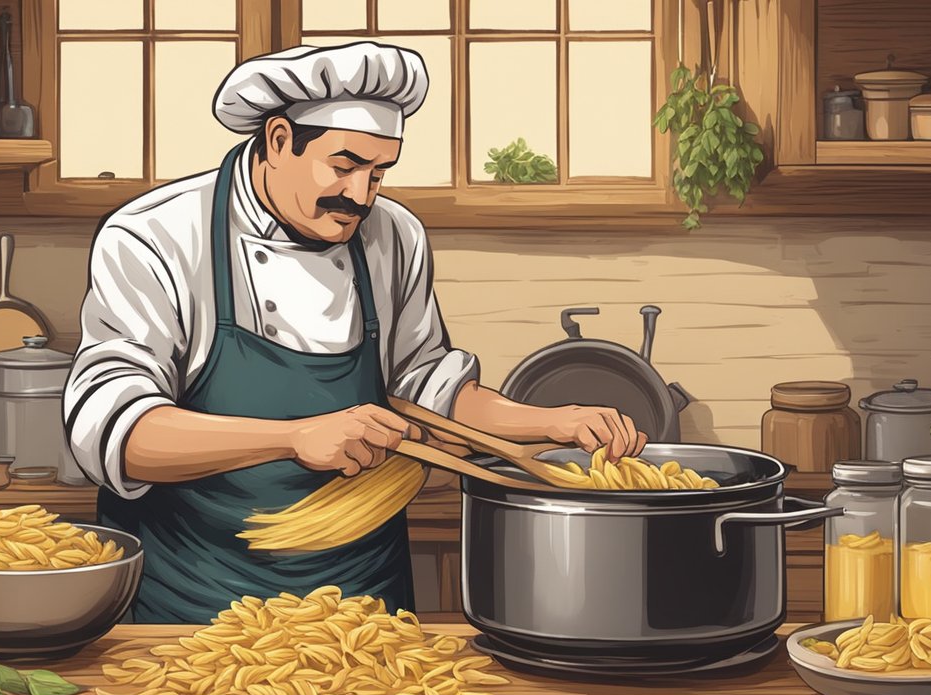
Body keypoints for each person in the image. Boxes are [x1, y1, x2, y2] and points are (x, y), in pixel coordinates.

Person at [65, 42, 647, 623]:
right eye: (343, 167)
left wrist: (552, 422)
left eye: (379, 172)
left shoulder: (393, 235)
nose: (362, 195)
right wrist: (293, 438)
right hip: (195, 601)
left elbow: (428, 393)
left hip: (362, 605)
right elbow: (120, 434)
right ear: (277, 140)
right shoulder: (155, 236)